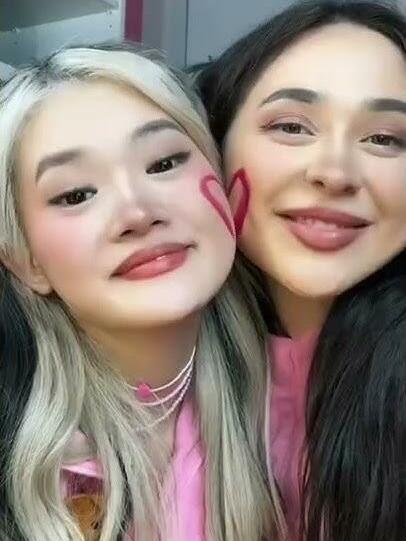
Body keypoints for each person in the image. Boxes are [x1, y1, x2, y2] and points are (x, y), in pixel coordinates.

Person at [0, 45, 283, 541]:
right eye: (76, 195)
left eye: (164, 163)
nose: (137, 212)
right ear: (26, 261)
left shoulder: (305, 407)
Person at [197, 2, 406, 540]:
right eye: (291, 126)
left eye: (385, 139)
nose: (334, 173)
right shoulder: (157, 364)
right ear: (213, 145)